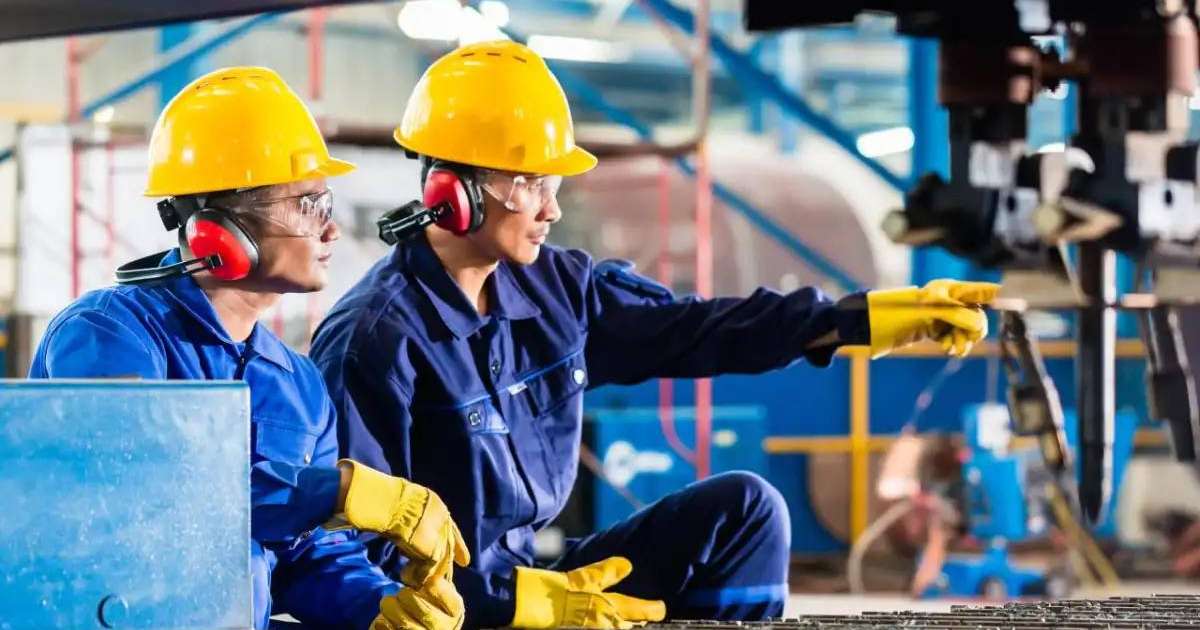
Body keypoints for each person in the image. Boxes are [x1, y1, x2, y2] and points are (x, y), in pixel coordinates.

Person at [310, 40, 998, 629]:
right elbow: (359, 561)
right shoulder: (378, 340)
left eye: (553, 184)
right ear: (451, 194)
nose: (552, 209)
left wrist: (848, 321)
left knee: (746, 512)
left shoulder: (558, 289)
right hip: (452, 611)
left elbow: (697, 330)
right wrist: (515, 604)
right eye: (531, 183)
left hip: (539, 580)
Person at [29, 66, 469, 630]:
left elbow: (307, 557)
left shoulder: (298, 384)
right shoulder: (108, 335)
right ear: (218, 230)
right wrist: (337, 490)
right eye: (308, 205)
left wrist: (378, 608)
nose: (332, 231)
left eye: (327, 204)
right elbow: (150, 489)